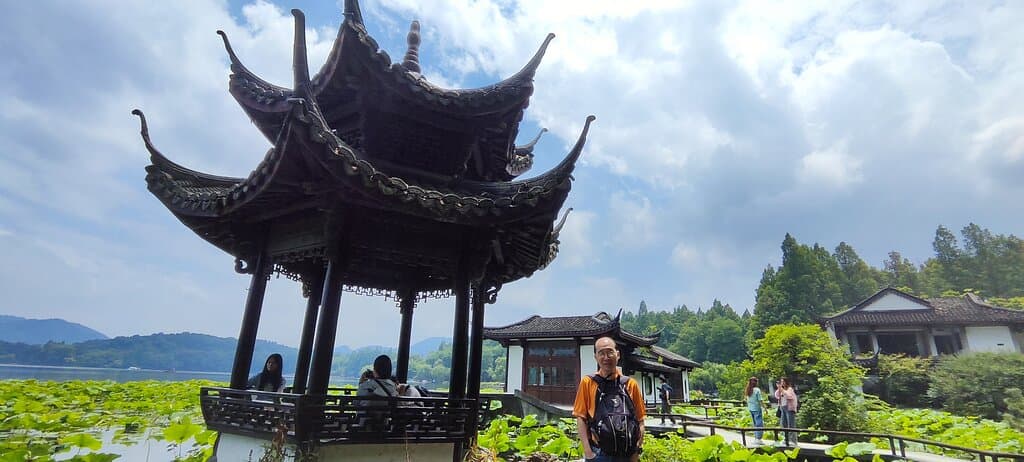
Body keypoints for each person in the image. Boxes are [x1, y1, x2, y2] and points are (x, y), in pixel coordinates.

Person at [573, 337, 645, 462]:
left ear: (618, 354)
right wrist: (588, 452)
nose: (606, 357)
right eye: (601, 353)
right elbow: (581, 418)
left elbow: (640, 420)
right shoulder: (588, 382)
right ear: (596, 357)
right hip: (599, 453)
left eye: (610, 352)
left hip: (627, 453)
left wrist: (636, 451)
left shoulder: (630, 384)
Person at [774, 377, 798, 446]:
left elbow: (789, 396)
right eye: (781, 382)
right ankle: (786, 439)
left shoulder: (790, 389)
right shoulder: (782, 389)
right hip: (783, 408)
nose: (782, 383)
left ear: (786, 382)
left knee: (791, 425)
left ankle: (793, 440)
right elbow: (776, 395)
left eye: (783, 382)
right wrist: (779, 388)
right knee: (783, 424)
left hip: (789, 408)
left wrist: (782, 389)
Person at [744, 377, 766, 444]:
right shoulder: (757, 390)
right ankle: (759, 439)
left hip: (751, 408)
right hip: (757, 408)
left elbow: (747, 399)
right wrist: (765, 408)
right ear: (756, 382)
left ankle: (756, 438)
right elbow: (760, 400)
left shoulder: (748, 389)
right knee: (759, 423)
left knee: (755, 423)